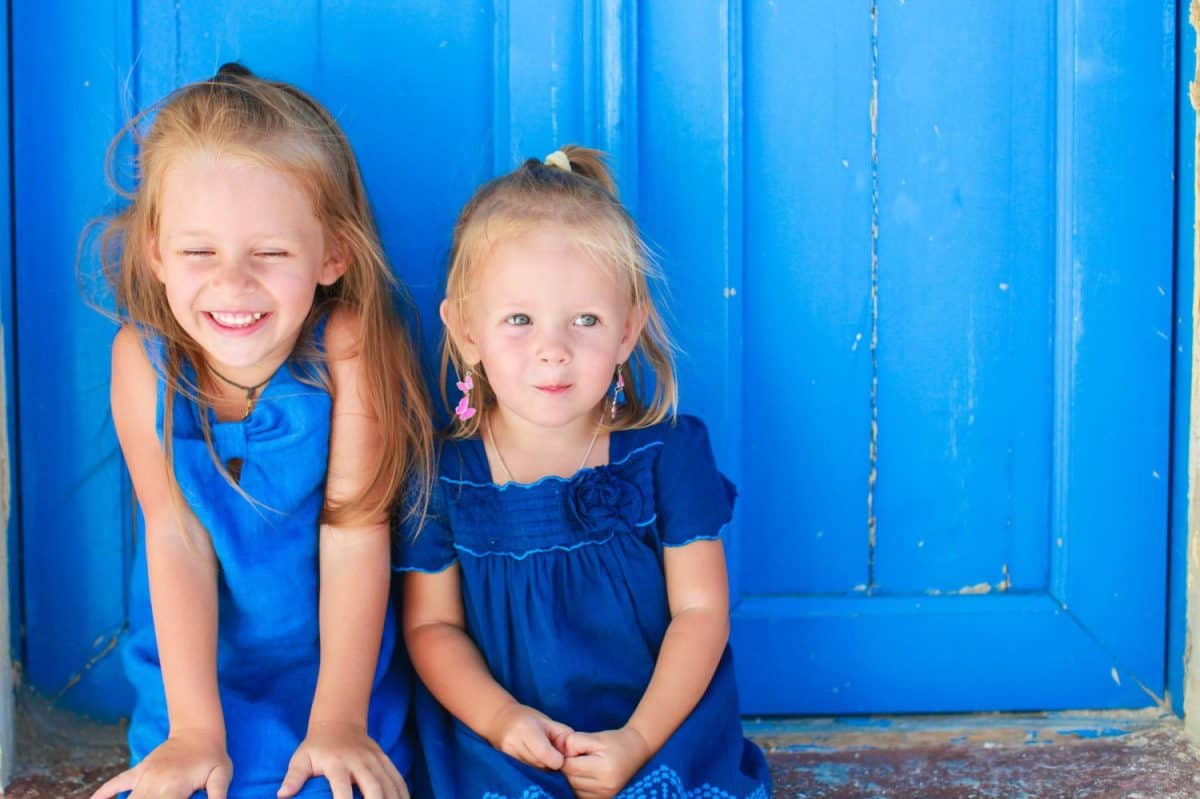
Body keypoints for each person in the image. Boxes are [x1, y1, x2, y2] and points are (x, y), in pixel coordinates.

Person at [88, 63, 432, 799]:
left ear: (331, 254)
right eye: (198, 252)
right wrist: (193, 732)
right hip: (195, 678)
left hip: (333, 671)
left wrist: (339, 719)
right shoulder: (141, 359)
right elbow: (172, 534)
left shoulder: (346, 349)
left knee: (335, 783)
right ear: (155, 251)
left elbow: (354, 530)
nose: (232, 283)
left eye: (270, 253)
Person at [399, 145, 771, 799]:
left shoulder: (667, 455)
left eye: (586, 320)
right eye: (519, 319)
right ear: (465, 331)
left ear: (628, 331)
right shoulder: (441, 477)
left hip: (657, 727)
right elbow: (433, 627)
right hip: (505, 740)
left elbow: (701, 611)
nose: (553, 349)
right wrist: (503, 719)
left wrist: (637, 740)